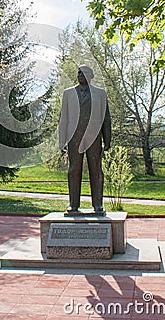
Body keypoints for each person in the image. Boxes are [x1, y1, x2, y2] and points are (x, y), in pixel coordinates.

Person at [59, 65, 111, 216]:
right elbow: (64, 118)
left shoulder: (100, 94)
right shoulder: (68, 94)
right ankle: (73, 205)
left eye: (85, 72)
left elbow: (105, 118)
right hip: (74, 137)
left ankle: (98, 204)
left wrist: (107, 140)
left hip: (94, 137)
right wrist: (62, 140)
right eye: (79, 72)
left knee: (96, 170)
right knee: (74, 169)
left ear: (92, 76)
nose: (81, 75)